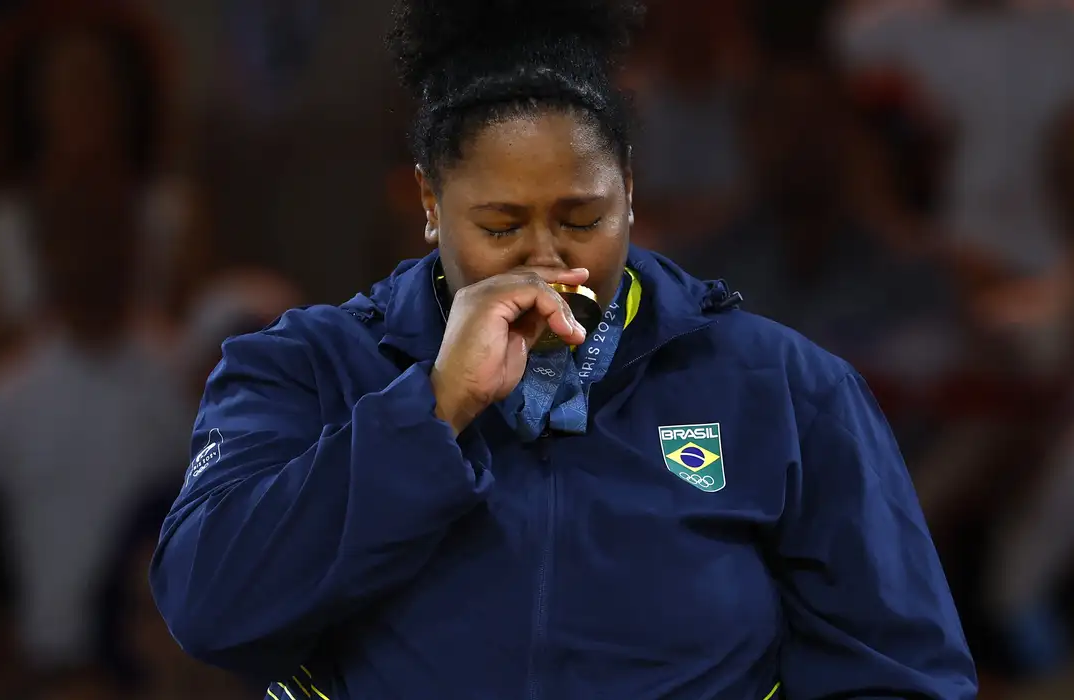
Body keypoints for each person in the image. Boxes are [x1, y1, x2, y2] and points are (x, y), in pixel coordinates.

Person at [150, 1, 978, 698]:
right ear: (431, 204)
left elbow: (899, 673)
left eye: (582, 219)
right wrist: (434, 408)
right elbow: (211, 606)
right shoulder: (304, 369)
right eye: (500, 225)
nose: (547, 258)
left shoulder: (784, 387)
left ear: (629, 187)